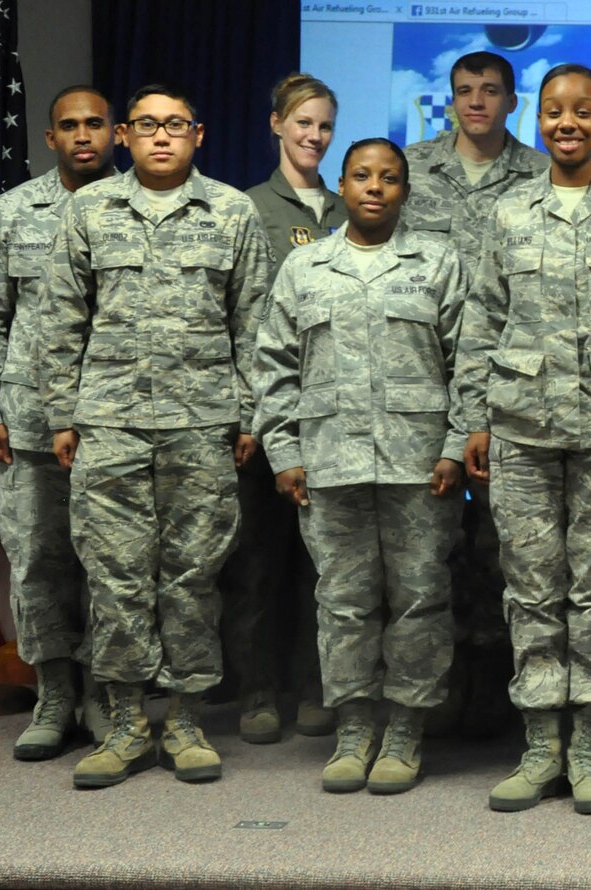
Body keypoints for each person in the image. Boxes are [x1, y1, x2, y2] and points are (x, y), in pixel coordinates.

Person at [456, 63, 591, 816]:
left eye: (582, 111)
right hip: (520, 428)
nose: (567, 122)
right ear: (538, 120)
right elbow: (482, 320)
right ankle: (540, 745)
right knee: (531, 585)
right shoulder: (510, 213)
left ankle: (587, 746)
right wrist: (473, 422)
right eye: (554, 111)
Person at [43, 83, 272, 788]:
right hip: (109, 425)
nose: (162, 137)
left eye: (176, 125)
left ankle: (186, 721)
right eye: (147, 125)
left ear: (198, 135)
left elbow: (254, 325)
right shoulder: (88, 210)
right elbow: (61, 319)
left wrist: (248, 415)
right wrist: (61, 412)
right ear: (124, 137)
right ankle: (123, 724)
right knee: (114, 578)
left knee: (192, 579)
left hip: (201, 426)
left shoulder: (231, 210)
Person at [253, 137, 467, 795]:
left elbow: (469, 363)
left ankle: (404, 729)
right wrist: (284, 452)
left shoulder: (437, 262)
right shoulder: (305, 267)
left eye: (390, 178)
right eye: (362, 176)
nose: (375, 187)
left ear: (406, 189)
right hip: (328, 464)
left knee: (418, 600)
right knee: (342, 601)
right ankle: (354, 728)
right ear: (342, 185)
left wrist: (456, 446)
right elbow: (273, 365)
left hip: (417, 465)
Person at [0, 85, 116, 761]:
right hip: (27, 426)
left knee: (116, 567)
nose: (83, 135)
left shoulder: (144, 209)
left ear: (117, 132)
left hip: (119, 424)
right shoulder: (10, 214)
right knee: (42, 565)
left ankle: (108, 696)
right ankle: (54, 695)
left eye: (95, 124)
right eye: (69, 126)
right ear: (50, 139)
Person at [401, 50, 550, 738]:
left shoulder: (540, 174)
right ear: (450, 98)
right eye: (465, 90)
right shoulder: (413, 167)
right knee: (427, 542)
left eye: (491, 91)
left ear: (512, 100)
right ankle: (439, 684)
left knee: (504, 544)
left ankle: (496, 683)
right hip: (418, 379)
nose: (478, 102)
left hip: (508, 382)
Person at [229, 72, 348, 745]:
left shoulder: (345, 206)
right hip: (267, 420)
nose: (315, 137)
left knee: (322, 568)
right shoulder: (246, 209)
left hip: (331, 422)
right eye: (304, 124)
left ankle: (314, 686)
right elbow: (241, 322)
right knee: (259, 565)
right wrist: (250, 418)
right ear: (277, 125)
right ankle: (257, 691)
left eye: (325, 126)